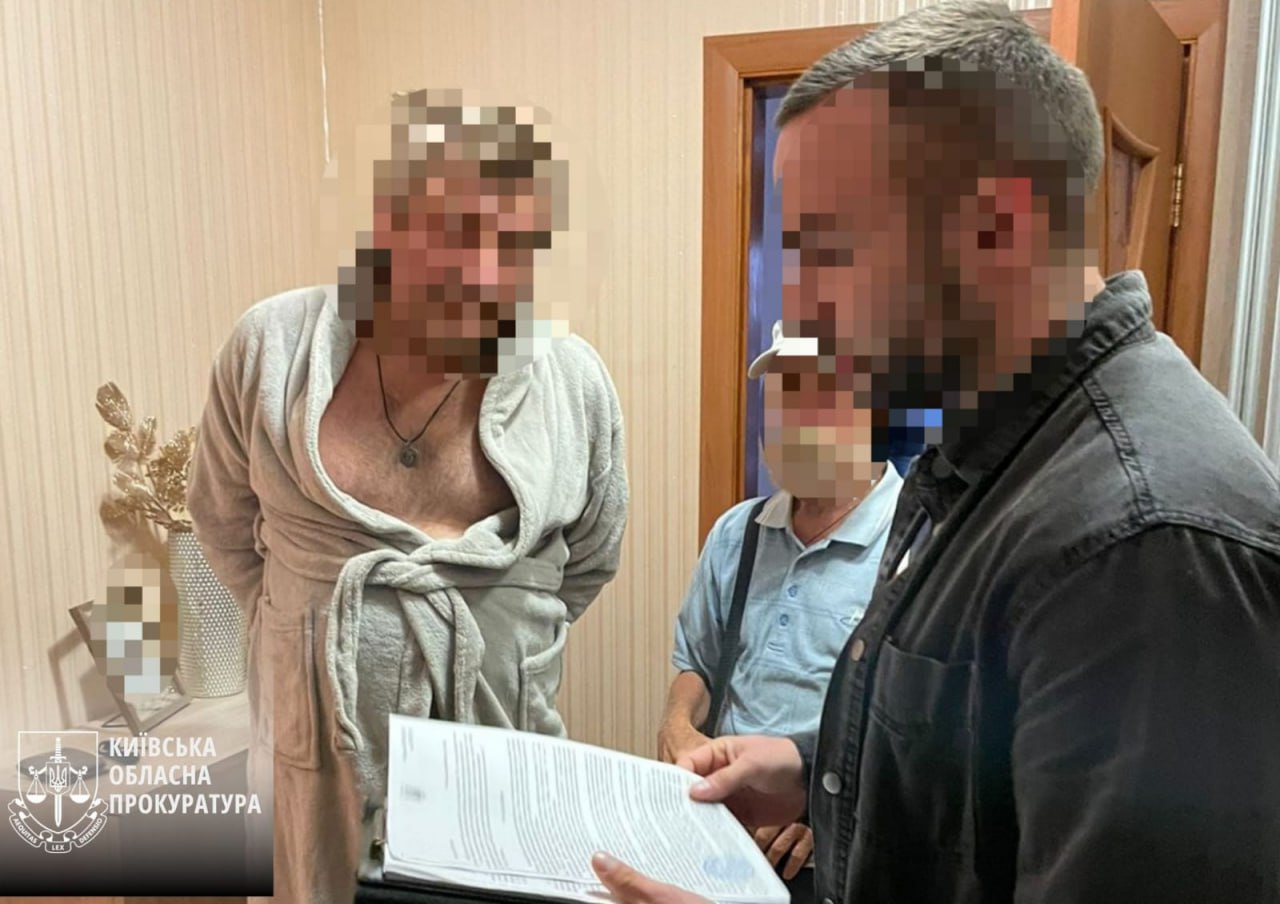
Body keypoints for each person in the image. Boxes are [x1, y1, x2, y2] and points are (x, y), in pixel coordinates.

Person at [590, 3, 1280, 903]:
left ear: (999, 226)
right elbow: (987, 765)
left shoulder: (1145, 547)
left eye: (829, 248)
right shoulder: (984, 451)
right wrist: (811, 767)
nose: (802, 304)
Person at [187, 89, 629, 904]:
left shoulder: (574, 385)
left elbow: (587, 566)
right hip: (311, 784)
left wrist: (496, 623)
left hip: (503, 776)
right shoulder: (270, 351)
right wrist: (307, 625)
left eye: (514, 243)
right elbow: (223, 526)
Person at [659, 322, 914, 902]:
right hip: (720, 825)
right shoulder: (738, 532)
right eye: (779, 404)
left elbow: (915, 733)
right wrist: (677, 724)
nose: (788, 425)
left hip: (831, 854)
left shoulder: (916, 547)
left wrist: (822, 810)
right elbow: (696, 663)